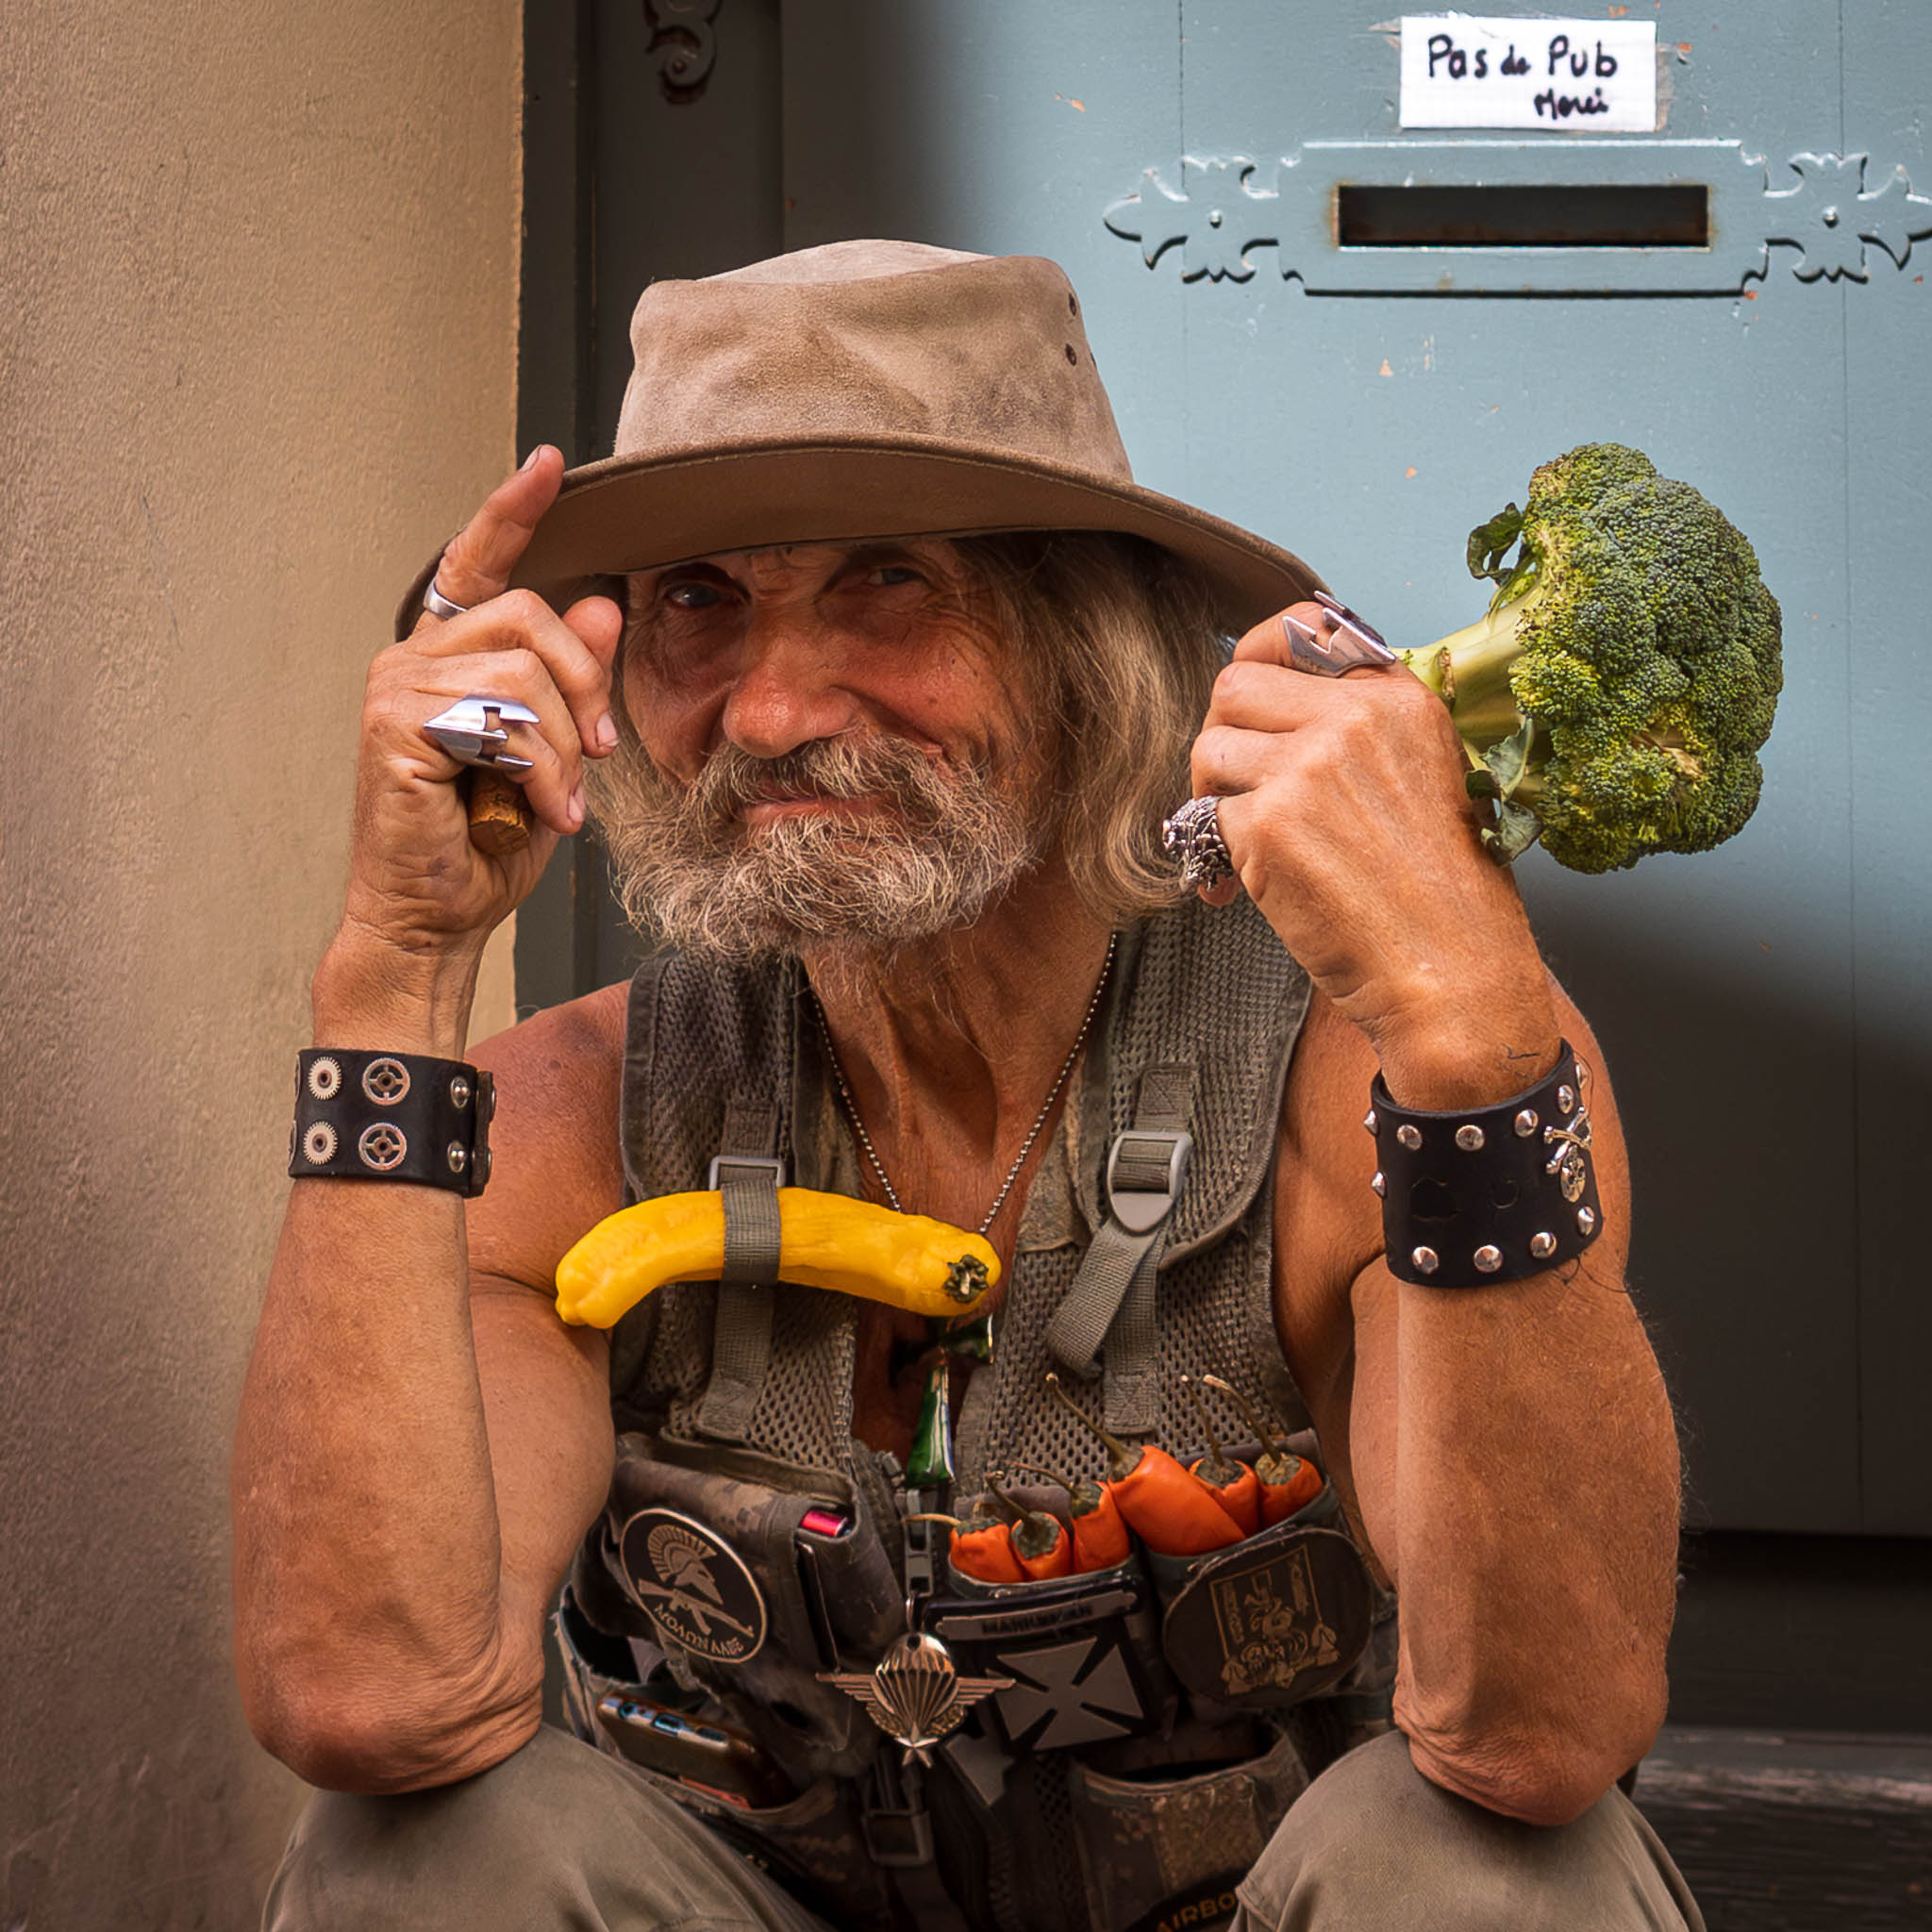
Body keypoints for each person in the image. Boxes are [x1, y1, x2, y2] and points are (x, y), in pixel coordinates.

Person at [233, 241, 1701, 1931]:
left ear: (1090, 646)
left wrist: (1465, 1036)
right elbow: (375, 1706)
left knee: (1482, 1875)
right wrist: (393, 973)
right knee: (419, 1860)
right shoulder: (568, 1115)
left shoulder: (1369, 1083)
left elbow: (1541, 1738)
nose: (774, 709)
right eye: (701, 600)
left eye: (888, 583)